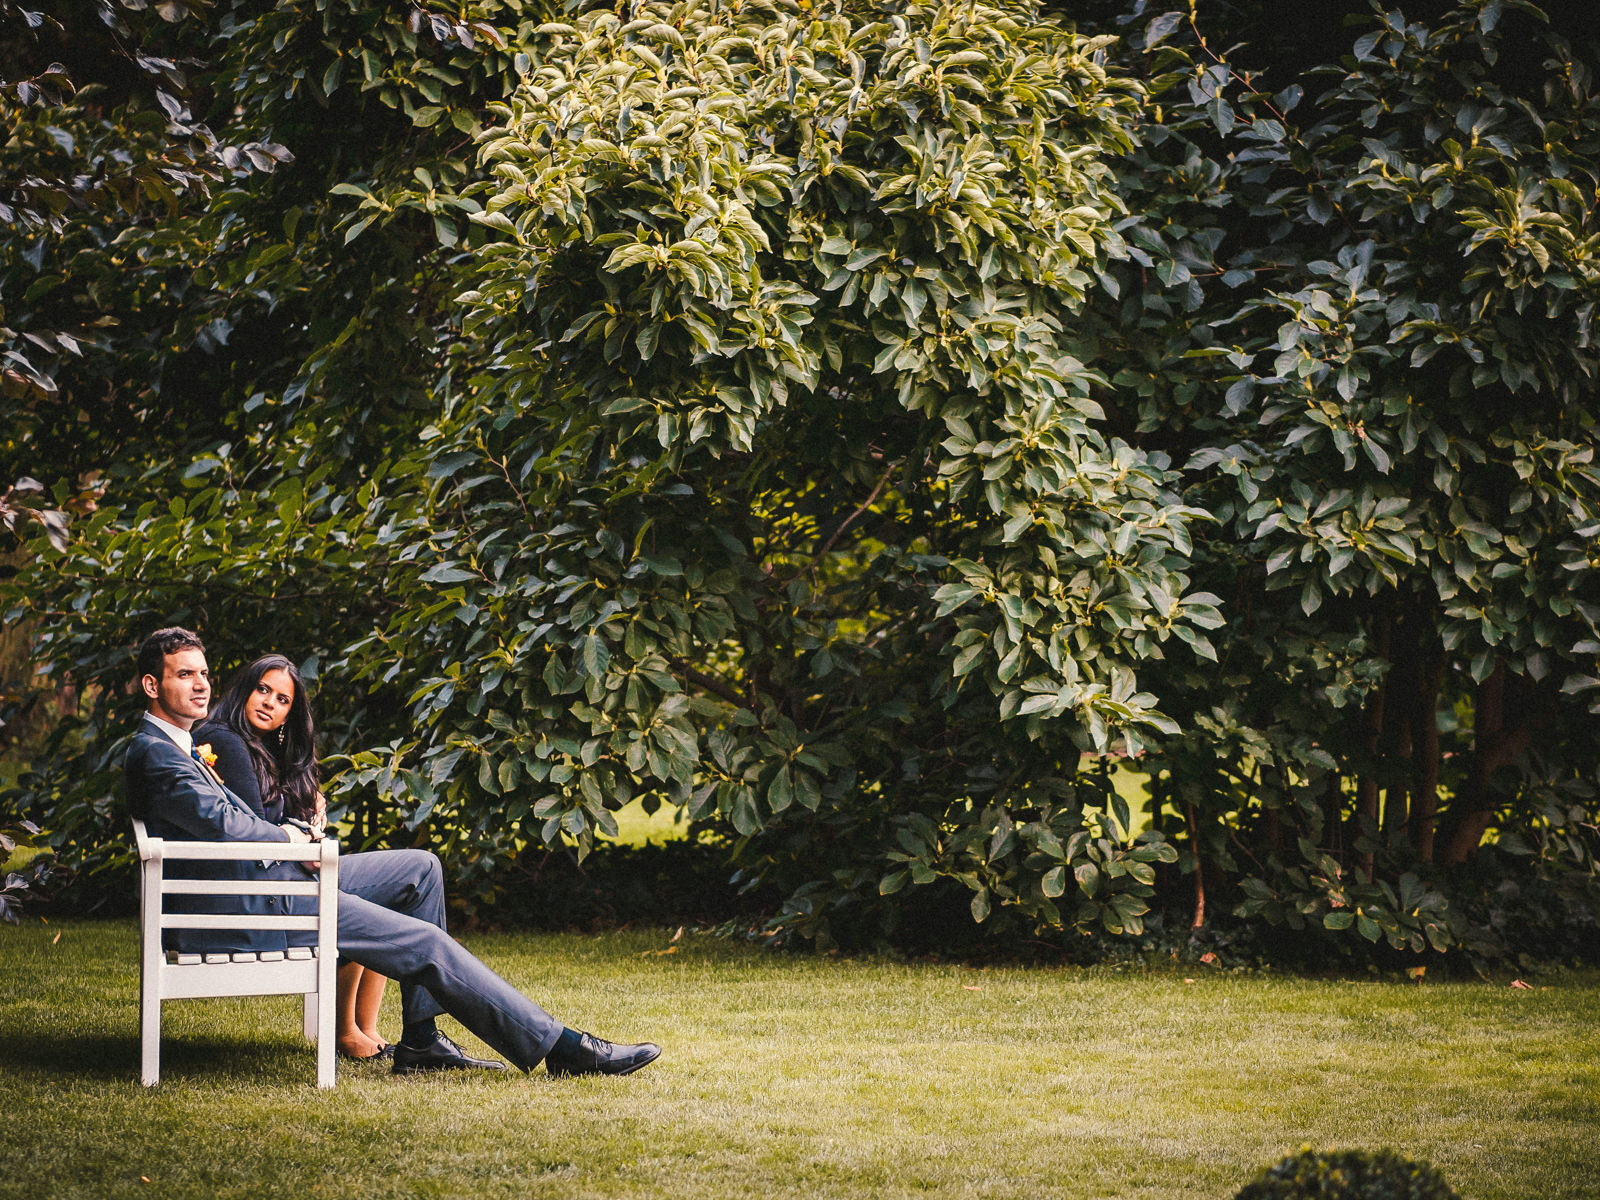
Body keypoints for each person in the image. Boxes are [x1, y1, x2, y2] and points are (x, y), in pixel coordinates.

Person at [125, 626, 660, 1079]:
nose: (200, 685)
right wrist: (293, 838)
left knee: (419, 870)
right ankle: (561, 1047)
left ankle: (422, 1039)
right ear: (153, 684)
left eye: (203, 673)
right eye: (183, 675)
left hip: (268, 884)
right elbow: (229, 828)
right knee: (424, 942)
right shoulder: (157, 754)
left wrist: (298, 831)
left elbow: (236, 821)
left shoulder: (181, 746)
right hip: (252, 905)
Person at [194, 654, 393, 1062]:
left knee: (377, 898)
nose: (269, 703)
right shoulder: (226, 739)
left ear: (289, 714)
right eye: (263, 690)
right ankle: (347, 1031)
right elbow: (258, 822)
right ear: (245, 690)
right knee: (361, 902)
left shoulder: (261, 745)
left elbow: (274, 815)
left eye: (282, 699)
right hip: (250, 890)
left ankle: (364, 1028)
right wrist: (303, 829)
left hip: (268, 876)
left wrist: (307, 815)